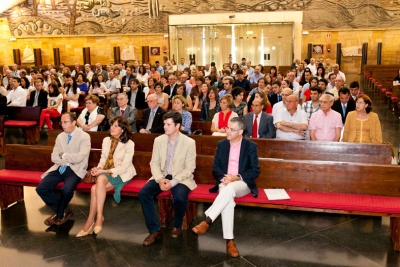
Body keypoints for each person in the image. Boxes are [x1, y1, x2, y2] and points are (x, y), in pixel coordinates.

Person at [192, 117, 260, 258]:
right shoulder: (222, 144)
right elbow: (215, 168)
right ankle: (230, 241)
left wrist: (236, 177)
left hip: (242, 183)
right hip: (225, 181)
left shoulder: (250, 146)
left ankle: (207, 221)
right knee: (227, 197)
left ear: (240, 131)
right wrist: (225, 178)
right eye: (227, 128)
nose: (227, 131)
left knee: (228, 190)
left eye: (231, 129)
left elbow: (255, 170)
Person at [139, 111, 196, 245]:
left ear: (177, 126)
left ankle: (177, 225)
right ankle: (154, 230)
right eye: (164, 124)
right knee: (143, 193)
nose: (165, 127)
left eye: (168, 124)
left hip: (181, 176)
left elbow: (189, 168)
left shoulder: (189, 142)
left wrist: (173, 182)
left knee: (180, 198)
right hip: (162, 174)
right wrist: (159, 179)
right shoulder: (159, 140)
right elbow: (154, 163)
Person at [76, 116, 136, 237]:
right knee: (94, 188)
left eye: (116, 126)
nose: (112, 128)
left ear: (123, 129)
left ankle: (96, 219)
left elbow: (124, 167)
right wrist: (98, 168)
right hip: (106, 172)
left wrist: (103, 172)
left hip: (122, 174)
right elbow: (103, 159)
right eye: (112, 125)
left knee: (101, 179)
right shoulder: (106, 140)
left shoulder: (129, 144)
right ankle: (93, 220)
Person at [36, 112, 91, 226]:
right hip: (59, 168)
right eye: (61, 122)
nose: (62, 125)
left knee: (66, 190)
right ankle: (65, 210)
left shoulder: (84, 136)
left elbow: (80, 157)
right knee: (41, 188)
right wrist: (66, 158)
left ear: (74, 122)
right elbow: (54, 157)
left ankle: (59, 214)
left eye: (65, 122)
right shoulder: (60, 136)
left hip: (75, 169)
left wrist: (64, 155)